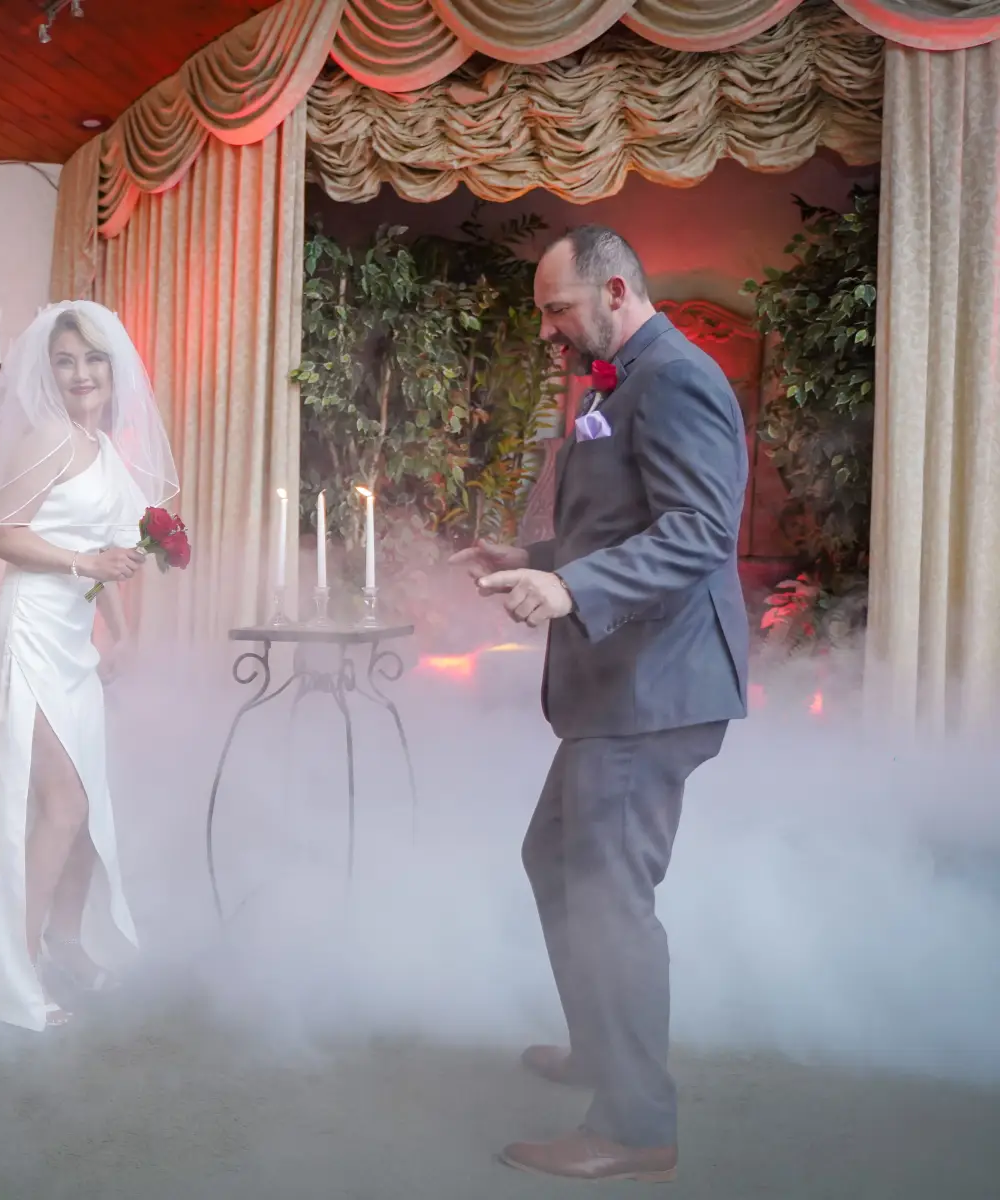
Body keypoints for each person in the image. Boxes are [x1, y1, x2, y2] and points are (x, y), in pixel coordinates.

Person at [453, 226, 749, 1182]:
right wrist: (531, 562)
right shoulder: (619, 377)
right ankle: (601, 1046)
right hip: (620, 683)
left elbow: (702, 529)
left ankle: (634, 1124)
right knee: (556, 859)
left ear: (615, 290)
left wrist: (576, 592)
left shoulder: (677, 376)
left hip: (652, 685)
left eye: (557, 309)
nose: (549, 330)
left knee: (609, 898)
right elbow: (619, 523)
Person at [0, 300, 178, 1031]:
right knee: (61, 805)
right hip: (30, 630)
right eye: (66, 361)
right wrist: (86, 559)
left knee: (86, 812)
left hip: (74, 639)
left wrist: (123, 636)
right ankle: (12, 977)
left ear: (116, 369)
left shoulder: (104, 448)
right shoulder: (49, 437)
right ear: (51, 374)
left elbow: (111, 560)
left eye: (93, 359)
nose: (81, 373)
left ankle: (67, 943)